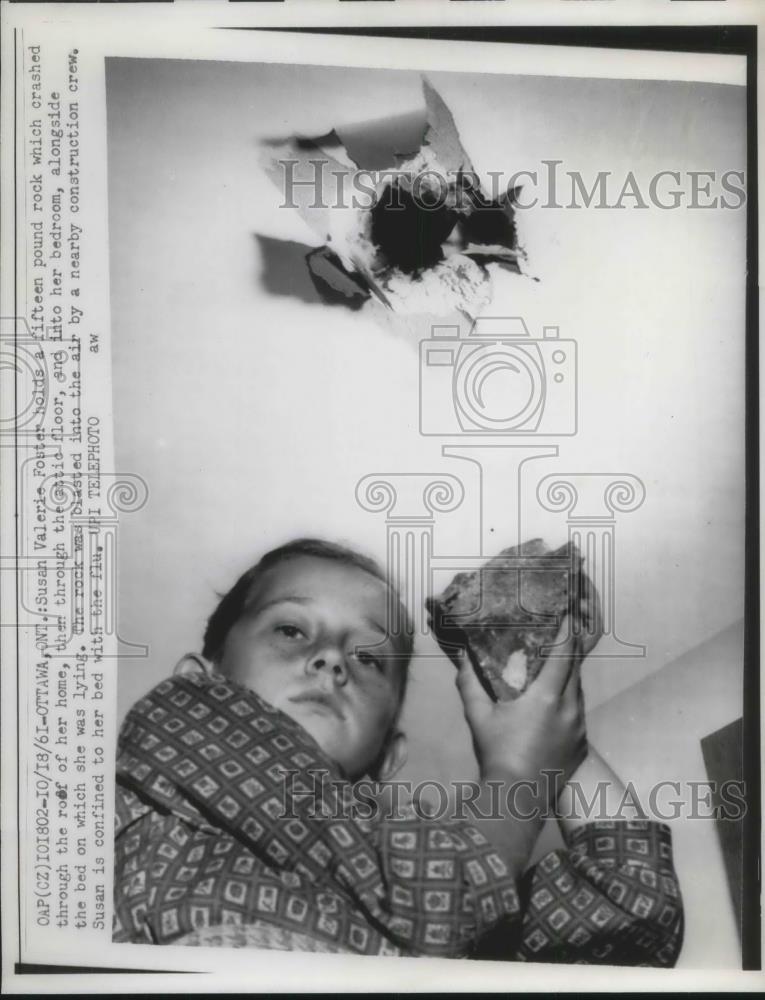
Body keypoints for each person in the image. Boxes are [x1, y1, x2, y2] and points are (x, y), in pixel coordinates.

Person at [113, 538, 683, 963]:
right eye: (291, 630)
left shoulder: (405, 859)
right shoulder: (179, 731)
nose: (332, 658)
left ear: (385, 761)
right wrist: (519, 773)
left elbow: (629, 907)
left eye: (369, 659)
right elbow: (431, 905)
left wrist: (544, 710)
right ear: (198, 679)